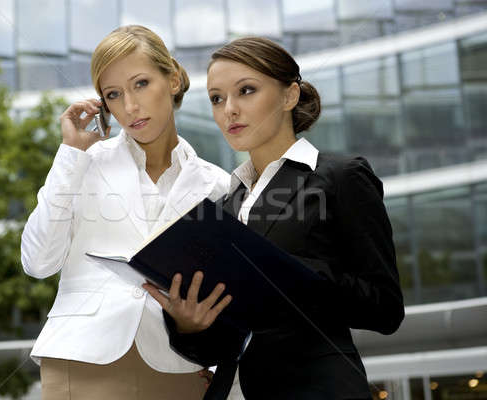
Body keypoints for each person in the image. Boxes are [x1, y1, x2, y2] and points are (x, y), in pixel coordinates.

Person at [143, 36, 405, 399]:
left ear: (289, 96)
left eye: (246, 91)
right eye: (217, 98)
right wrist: (189, 324)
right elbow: (215, 348)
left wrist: (294, 273)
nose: (228, 109)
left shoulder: (341, 176)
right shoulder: (225, 205)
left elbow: (385, 308)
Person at [21, 25, 229, 399]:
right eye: (113, 94)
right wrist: (70, 155)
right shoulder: (80, 163)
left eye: (141, 84)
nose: (130, 107)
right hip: (81, 360)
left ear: (174, 79)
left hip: (180, 366)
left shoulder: (217, 185)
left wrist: (211, 352)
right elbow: (37, 262)